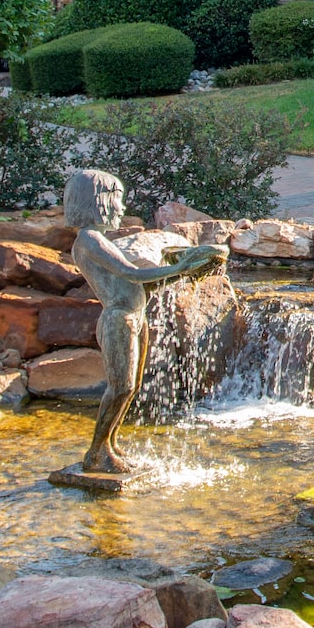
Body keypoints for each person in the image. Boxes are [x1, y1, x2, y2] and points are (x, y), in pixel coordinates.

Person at [61, 167, 229, 475]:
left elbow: (141, 285)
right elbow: (132, 274)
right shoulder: (89, 240)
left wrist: (183, 271)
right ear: (98, 201)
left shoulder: (100, 239)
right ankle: (96, 452)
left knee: (131, 387)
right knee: (120, 387)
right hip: (118, 319)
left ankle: (108, 445)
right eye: (117, 201)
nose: (122, 209)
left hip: (134, 317)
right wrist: (183, 267)